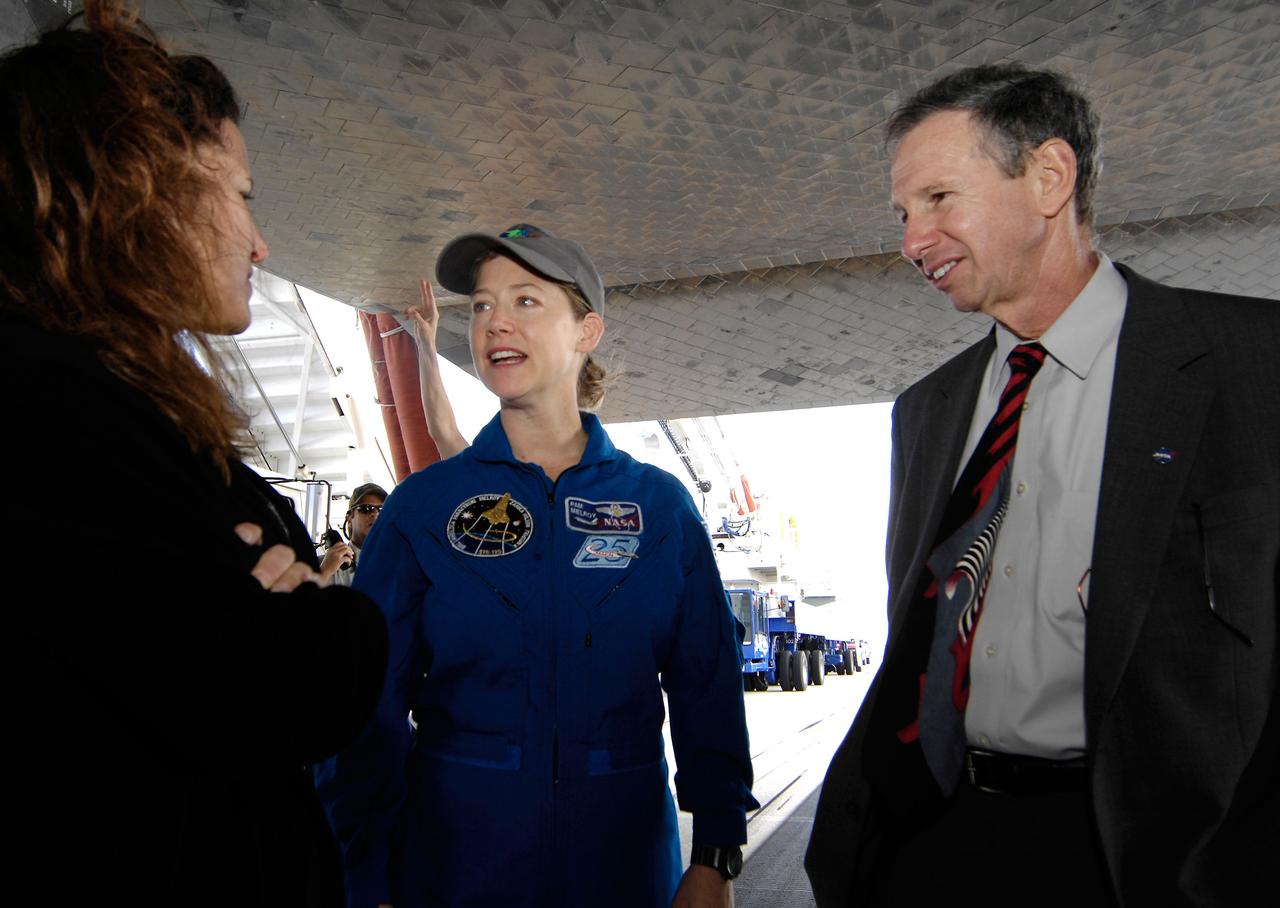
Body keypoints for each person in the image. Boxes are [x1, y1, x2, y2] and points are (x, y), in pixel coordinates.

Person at [806, 63, 1278, 907]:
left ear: (1049, 178)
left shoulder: (1256, 365)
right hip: (936, 845)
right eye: (904, 214)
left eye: (941, 199)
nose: (914, 240)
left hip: (1148, 863)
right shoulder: (928, 410)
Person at [1, 3, 389, 904]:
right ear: (142, 188)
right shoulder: (63, 419)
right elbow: (286, 686)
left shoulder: (93, 407)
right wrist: (333, 613)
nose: (260, 242)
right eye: (241, 196)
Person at [317, 224, 757, 908]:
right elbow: (367, 705)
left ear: (587, 331)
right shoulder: (426, 508)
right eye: (484, 305)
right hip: (458, 862)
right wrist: (365, 873)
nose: (495, 322)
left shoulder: (659, 509)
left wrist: (716, 853)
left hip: (625, 859)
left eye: (526, 301)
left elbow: (707, 683)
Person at [322, 482, 389, 586]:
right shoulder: (325, 565)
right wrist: (324, 572)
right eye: (366, 508)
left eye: (382, 510)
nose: (375, 514)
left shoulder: (400, 564)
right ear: (349, 519)